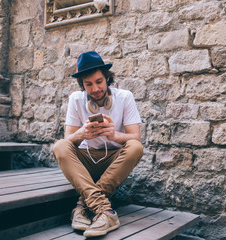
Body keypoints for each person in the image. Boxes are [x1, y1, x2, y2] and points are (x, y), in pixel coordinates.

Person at [53, 51, 143, 237]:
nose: (95, 89)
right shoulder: (76, 99)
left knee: (135, 147)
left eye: (99, 81)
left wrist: (115, 136)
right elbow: (67, 141)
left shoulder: (125, 97)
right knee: (59, 146)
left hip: (112, 162)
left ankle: (82, 208)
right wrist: (81, 134)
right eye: (88, 84)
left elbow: (135, 137)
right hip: (85, 162)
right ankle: (104, 211)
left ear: (107, 78)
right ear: (82, 85)